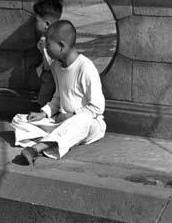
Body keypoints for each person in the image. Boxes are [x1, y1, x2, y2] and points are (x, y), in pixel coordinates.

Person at [11, 20, 106, 164]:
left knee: (82, 121)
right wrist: (44, 113)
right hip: (61, 122)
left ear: (61, 46)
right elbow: (58, 97)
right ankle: (58, 140)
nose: (47, 50)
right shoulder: (56, 66)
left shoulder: (85, 67)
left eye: (49, 46)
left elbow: (98, 107)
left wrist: (72, 115)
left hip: (88, 125)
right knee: (19, 120)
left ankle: (38, 148)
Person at [33, 0, 63, 106]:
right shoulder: (56, 37)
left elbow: (49, 64)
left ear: (46, 24)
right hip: (53, 76)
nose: (35, 23)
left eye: (37, 20)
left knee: (43, 100)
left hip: (50, 77)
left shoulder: (47, 42)